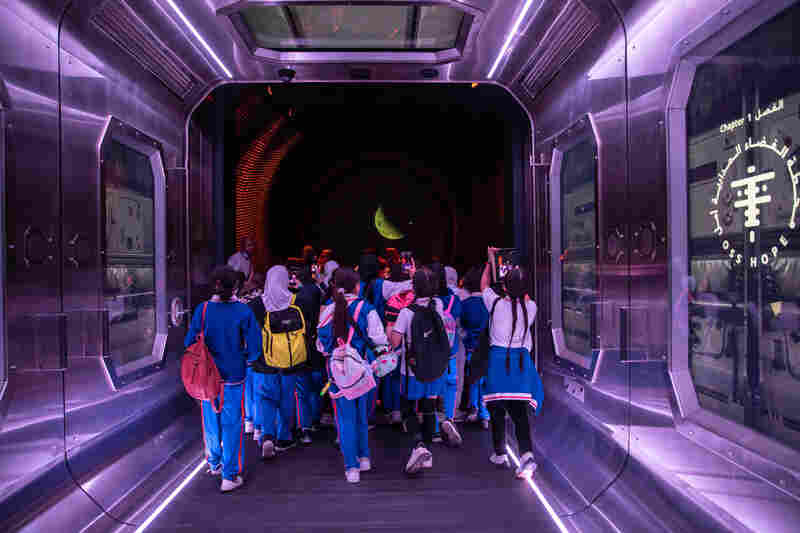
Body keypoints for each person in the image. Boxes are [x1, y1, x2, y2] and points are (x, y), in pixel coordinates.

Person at [184, 265, 262, 493]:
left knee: (210, 419)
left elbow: (190, 341)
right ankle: (230, 475)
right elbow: (255, 347)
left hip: (207, 376)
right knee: (232, 423)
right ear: (235, 286)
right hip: (234, 375)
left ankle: (214, 463)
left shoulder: (203, 310)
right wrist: (246, 359)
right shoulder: (243, 311)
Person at [317, 267, 389, 483]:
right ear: (357, 286)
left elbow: (321, 345)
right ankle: (364, 457)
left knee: (345, 418)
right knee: (362, 416)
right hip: (363, 370)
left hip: (337, 372)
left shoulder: (327, 310)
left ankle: (352, 468)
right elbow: (379, 340)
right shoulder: (367, 309)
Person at [477, 262, 542, 477]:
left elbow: (484, 284)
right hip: (520, 363)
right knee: (519, 413)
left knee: (497, 409)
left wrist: (489, 263)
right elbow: (523, 297)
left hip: (498, 362)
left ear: (504, 287)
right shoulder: (530, 307)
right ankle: (527, 456)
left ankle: (500, 453)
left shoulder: (493, 303)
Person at [389, 266, 450, 475]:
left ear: (414, 288)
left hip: (412, 370)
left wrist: (390, 331)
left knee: (407, 408)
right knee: (429, 407)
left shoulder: (406, 313)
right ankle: (427, 451)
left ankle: (418, 446)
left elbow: (395, 342)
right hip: (436, 366)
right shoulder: (438, 305)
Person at [249, 266, 310, 459]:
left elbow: (250, 333)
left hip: (264, 361)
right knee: (287, 398)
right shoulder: (297, 301)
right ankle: (284, 437)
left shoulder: (256, 304)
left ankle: (268, 435)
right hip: (291, 361)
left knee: (266, 398)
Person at [431, 262, 464, 447]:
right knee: (451, 384)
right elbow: (459, 322)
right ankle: (449, 419)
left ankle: (434, 428)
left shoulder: (425, 300)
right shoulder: (453, 299)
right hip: (450, 351)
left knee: (433, 389)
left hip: (432, 352)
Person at [293, 263, 324, 442]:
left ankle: (305, 426)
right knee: (318, 384)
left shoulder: (297, 298)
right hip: (318, 343)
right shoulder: (320, 292)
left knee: (303, 387)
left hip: (302, 344)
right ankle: (316, 418)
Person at [458, 266, 490, 428]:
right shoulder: (492, 303)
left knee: (473, 380)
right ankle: (485, 414)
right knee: (485, 381)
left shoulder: (465, 304)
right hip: (488, 349)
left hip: (471, 348)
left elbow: (461, 328)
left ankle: (473, 410)